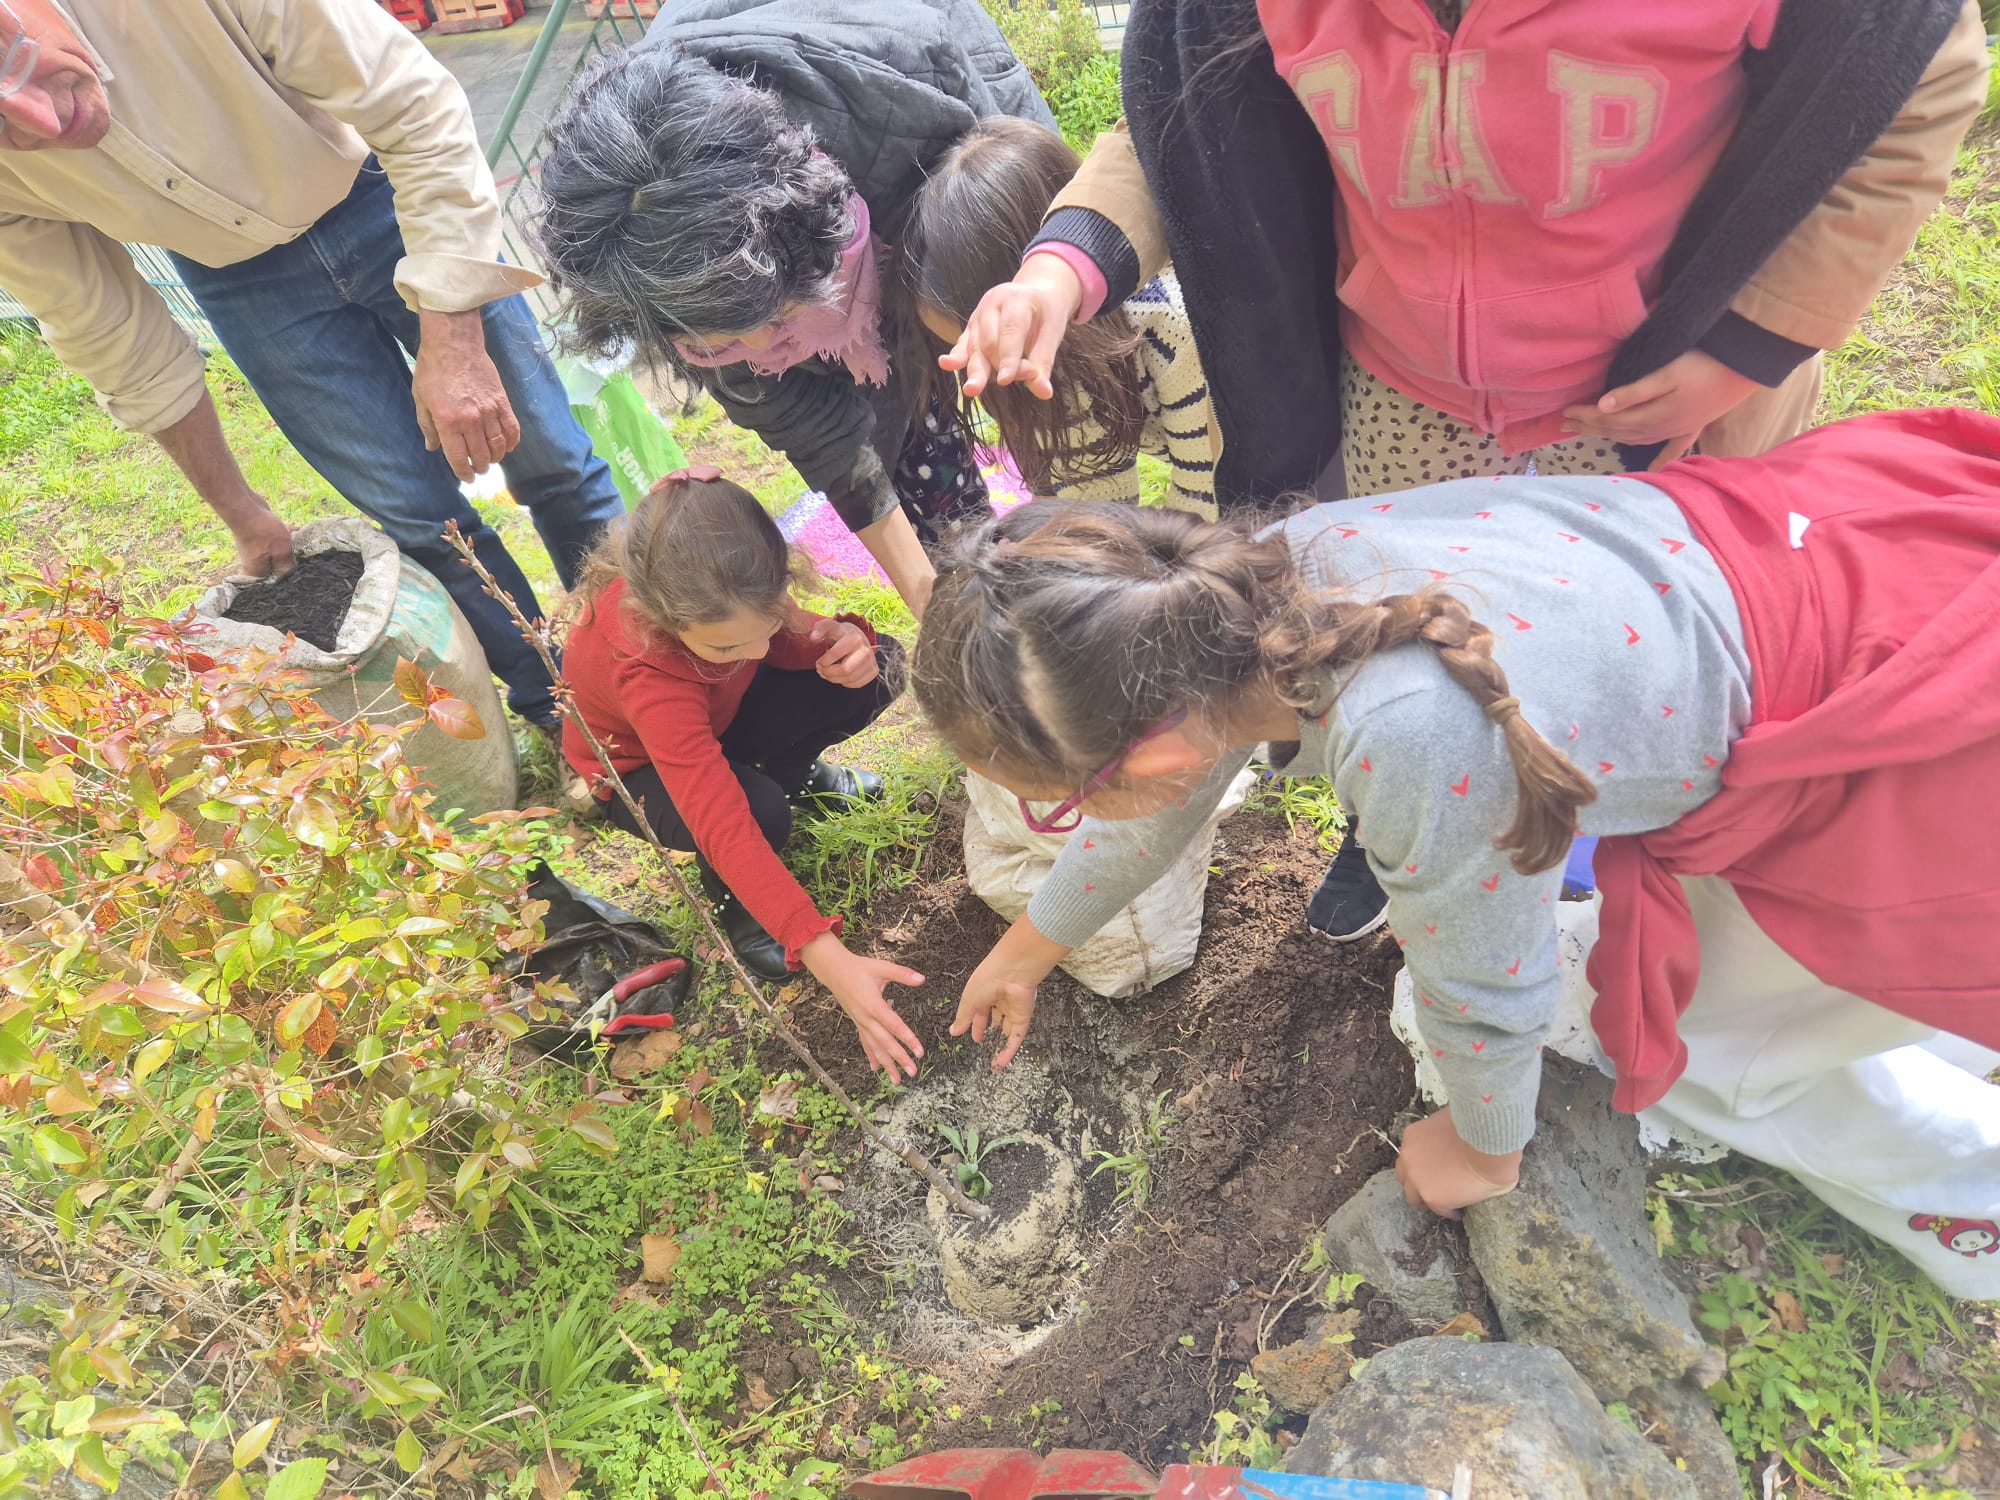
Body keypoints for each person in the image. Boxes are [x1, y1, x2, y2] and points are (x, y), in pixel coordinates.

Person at [938, 0, 1990, 944]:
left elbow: (1905, 73)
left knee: (1595, 664)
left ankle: (1574, 832)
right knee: (1399, 648)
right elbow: (1177, 112)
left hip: (1649, 407)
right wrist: (1063, 260)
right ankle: (1390, 823)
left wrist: (1746, 347)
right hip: (1403, 387)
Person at [909, 408, 2000, 1298]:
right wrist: (1029, 946)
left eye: (1065, 799)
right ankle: (1854, 1023)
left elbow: (1482, 977)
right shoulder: (1273, 581)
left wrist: (1483, 1150)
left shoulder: (1412, 738)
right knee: (1711, 997)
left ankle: (1969, 1195)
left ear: (1145, 749)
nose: (1083, 813)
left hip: (1915, 756)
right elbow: (1156, 795)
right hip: (1828, 560)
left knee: (1709, 1065)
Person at [0, 0, 626, 732]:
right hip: (239, 278)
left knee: (551, 457)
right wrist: (243, 515)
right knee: (422, 521)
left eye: (11, 60)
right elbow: (109, 333)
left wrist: (453, 341)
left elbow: (411, 103)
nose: (40, 122)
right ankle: (567, 712)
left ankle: (647, 663)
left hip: (385, 189)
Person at [528, 0, 1058, 618]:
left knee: (1037, 381)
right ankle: (983, 595)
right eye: (721, 341)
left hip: (917, 150)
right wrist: (933, 606)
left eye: (776, 324)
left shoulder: (906, 102)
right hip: (812, 270)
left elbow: (1042, 256)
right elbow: (821, 432)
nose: (761, 357)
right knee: (913, 452)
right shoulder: (646, 257)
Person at [562, 466, 924, 1081]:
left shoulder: (711, 571)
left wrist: (837, 642)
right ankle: (741, 907)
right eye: (728, 647)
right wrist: (826, 954)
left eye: (761, 628)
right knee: (756, 812)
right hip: (641, 769)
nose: (754, 653)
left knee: (880, 662)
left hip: (718, 717)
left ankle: (794, 770)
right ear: (664, 617)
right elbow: (718, 817)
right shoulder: (645, 669)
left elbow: (773, 638)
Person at [899, 116, 1217, 517]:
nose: (1000, 384)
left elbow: (1208, 508)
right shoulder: (1058, 361)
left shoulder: (1175, 328)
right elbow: (1088, 505)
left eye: (996, 353)